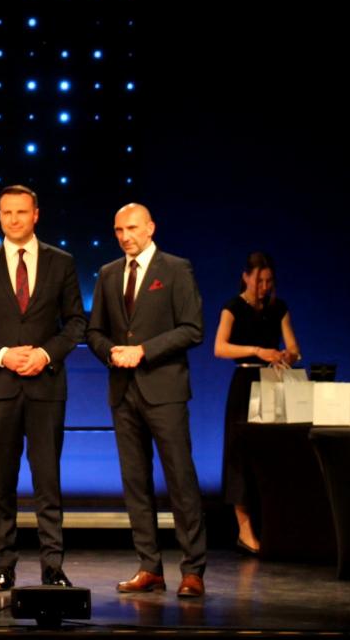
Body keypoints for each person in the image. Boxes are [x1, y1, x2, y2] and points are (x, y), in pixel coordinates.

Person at [0, 185, 85, 591]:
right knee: (2, 483)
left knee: (48, 480)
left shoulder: (61, 262)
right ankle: (4, 565)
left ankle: (53, 566)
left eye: (21, 212)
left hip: (46, 386)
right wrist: (3, 355)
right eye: (7, 213)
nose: (14, 219)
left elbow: (76, 323)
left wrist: (45, 354)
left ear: (36, 215)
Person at [87, 203, 207, 598]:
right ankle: (149, 566)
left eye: (133, 228)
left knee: (180, 479)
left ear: (151, 228)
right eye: (119, 230)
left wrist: (143, 351)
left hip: (164, 390)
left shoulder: (175, 269)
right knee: (135, 481)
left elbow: (192, 329)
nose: (125, 236)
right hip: (124, 392)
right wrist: (111, 352)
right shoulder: (108, 274)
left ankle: (193, 569)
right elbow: (94, 331)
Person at [213, 251, 302, 554]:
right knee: (240, 454)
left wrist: (287, 355)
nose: (264, 287)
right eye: (259, 281)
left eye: (268, 281)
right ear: (246, 277)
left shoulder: (278, 308)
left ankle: (275, 526)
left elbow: (294, 347)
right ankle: (245, 529)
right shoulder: (233, 307)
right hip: (245, 383)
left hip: (271, 382)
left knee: (271, 454)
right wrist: (257, 350)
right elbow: (220, 348)